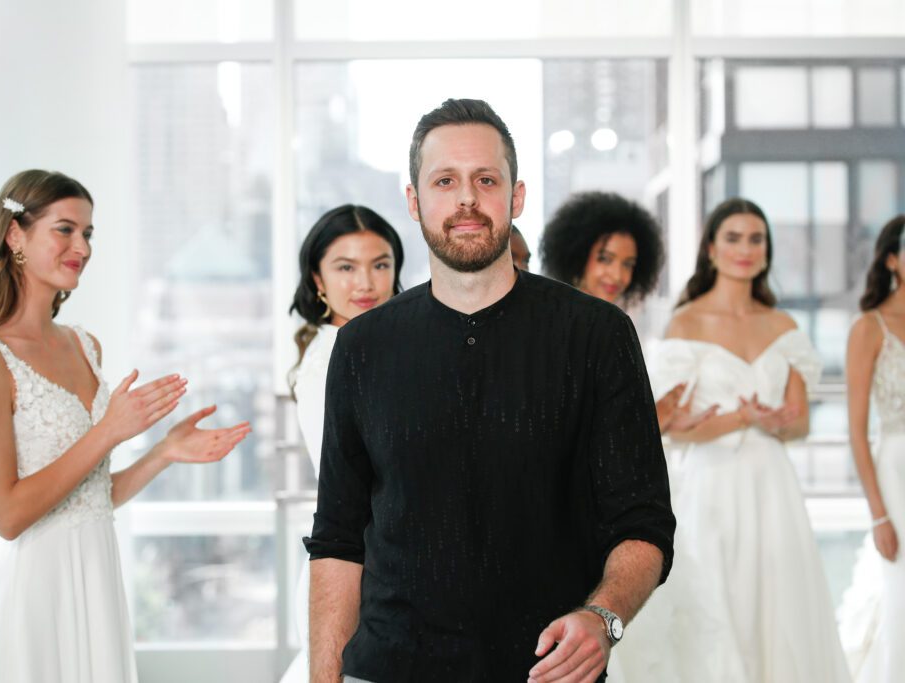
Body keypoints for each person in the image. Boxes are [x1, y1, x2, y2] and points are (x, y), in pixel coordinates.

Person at [305, 98, 675, 683]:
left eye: (486, 180)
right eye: (445, 181)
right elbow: (337, 541)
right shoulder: (362, 348)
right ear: (415, 200)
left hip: (546, 671)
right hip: (388, 668)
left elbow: (644, 523)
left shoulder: (598, 336)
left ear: (517, 196)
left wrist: (602, 617)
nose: (466, 200)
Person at [0, 170, 252, 682]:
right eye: (65, 230)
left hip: (91, 575)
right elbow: (8, 515)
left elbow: (87, 494)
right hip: (27, 589)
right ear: (15, 235)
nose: (81, 246)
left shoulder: (84, 345)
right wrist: (108, 431)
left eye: (88, 233)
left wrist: (163, 451)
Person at [630, 197, 850, 682]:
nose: (745, 249)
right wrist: (742, 419)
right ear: (711, 248)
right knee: (718, 602)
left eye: (756, 239)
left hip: (773, 486)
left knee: (781, 604)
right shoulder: (686, 324)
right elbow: (672, 425)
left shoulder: (784, 327)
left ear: (767, 251)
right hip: (712, 486)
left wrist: (774, 421)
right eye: (733, 238)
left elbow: (800, 425)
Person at [279, 204, 404, 683]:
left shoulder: (376, 346)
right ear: (318, 279)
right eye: (345, 267)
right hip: (357, 568)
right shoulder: (332, 356)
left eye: (380, 265)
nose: (366, 283)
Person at [540, 191, 716, 434]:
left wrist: (662, 424)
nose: (617, 275)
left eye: (627, 264)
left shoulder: (612, 327)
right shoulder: (555, 326)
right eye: (605, 259)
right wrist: (653, 419)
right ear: (577, 256)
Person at [838, 215, 905, 682]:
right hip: (897, 469)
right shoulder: (870, 327)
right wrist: (879, 515)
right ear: (892, 259)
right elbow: (858, 432)